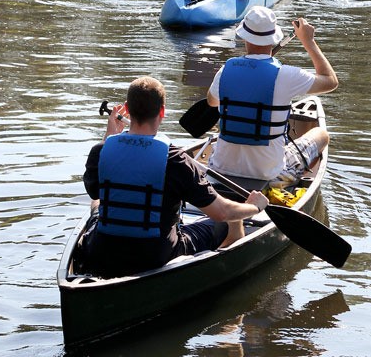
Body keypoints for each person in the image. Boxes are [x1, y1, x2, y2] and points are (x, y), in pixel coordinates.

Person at [80, 76, 268, 278]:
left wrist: (109, 138)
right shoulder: (175, 160)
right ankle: (233, 239)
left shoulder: (101, 151)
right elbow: (221, 212)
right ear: (162, 111)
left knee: (97, 203)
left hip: (102, 251)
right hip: (154, 255)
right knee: (228, 220)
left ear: (128, 109)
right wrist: (255, 206)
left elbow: (96, 190)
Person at [206, 6, 338, 185]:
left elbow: (211, 102)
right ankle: (285, 179)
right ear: (274, 36)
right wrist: (308, 41)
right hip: (268, 174)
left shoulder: (225, 69)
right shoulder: (287, 75)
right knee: (321, 135)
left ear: (244, 35)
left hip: (221, 170)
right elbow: (330, 81)